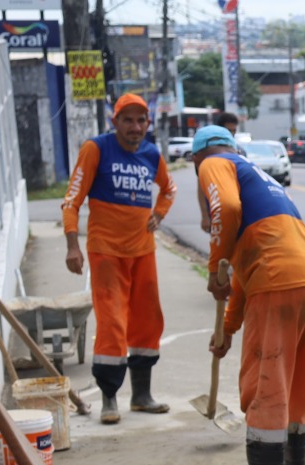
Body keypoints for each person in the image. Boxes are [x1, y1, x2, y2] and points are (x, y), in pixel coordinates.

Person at [191, 125, 305, 465]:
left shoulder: (214, 162)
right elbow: (245, 274)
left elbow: (226, 209)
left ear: (195, 158)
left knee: (266, 386)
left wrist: (213, 269)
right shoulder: (263, 181)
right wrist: (228, 329)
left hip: (278, 283)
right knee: (299, 386)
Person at [62, 93, 177, 423]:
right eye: (127, 120)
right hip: (106, 252)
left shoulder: (152, 154)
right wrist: (72, 245)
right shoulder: (95, 149)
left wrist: (159, 213)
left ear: (147, 124)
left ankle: (141, 396)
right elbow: (72, 200)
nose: (135, 127)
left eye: (141, 120)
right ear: (115, 122)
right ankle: (109, 399)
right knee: (112, 323)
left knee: (147, 322)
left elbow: (169, 189)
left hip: (143, 252)